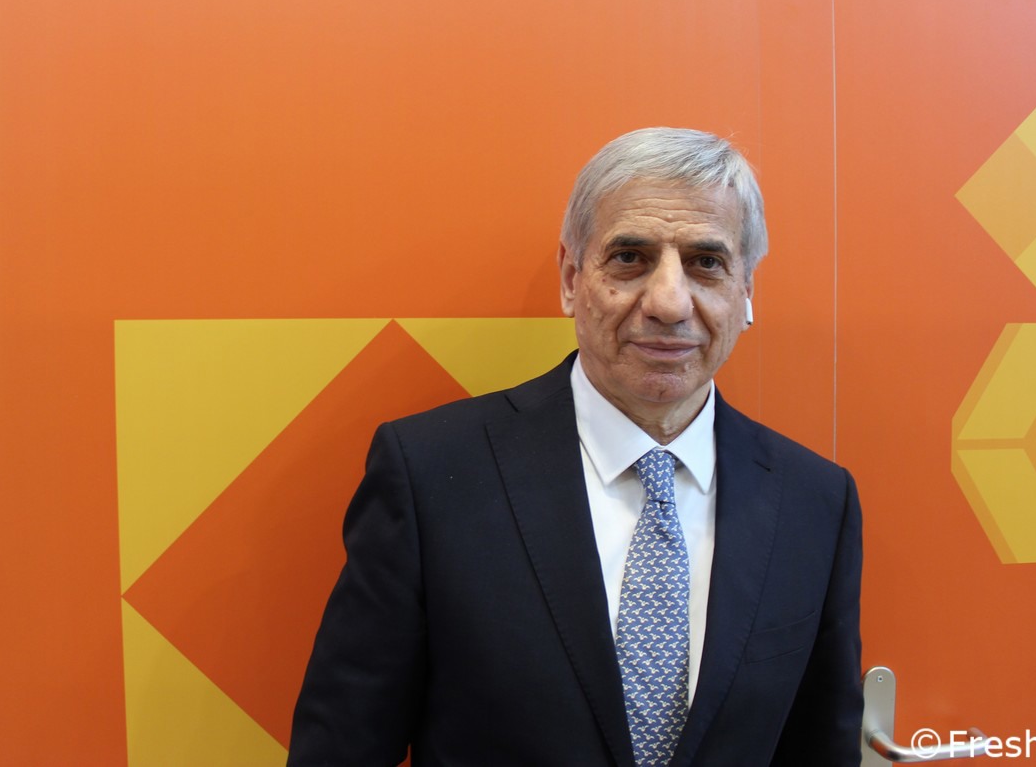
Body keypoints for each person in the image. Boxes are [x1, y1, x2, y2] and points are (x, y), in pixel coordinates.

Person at [287, 127, 863, 766]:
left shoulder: (816, 503)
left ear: (746, 290)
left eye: (706, 262)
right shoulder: (431, 475)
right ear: (571, 278)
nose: (670, 303)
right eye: (630, 257)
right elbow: (340, 750)